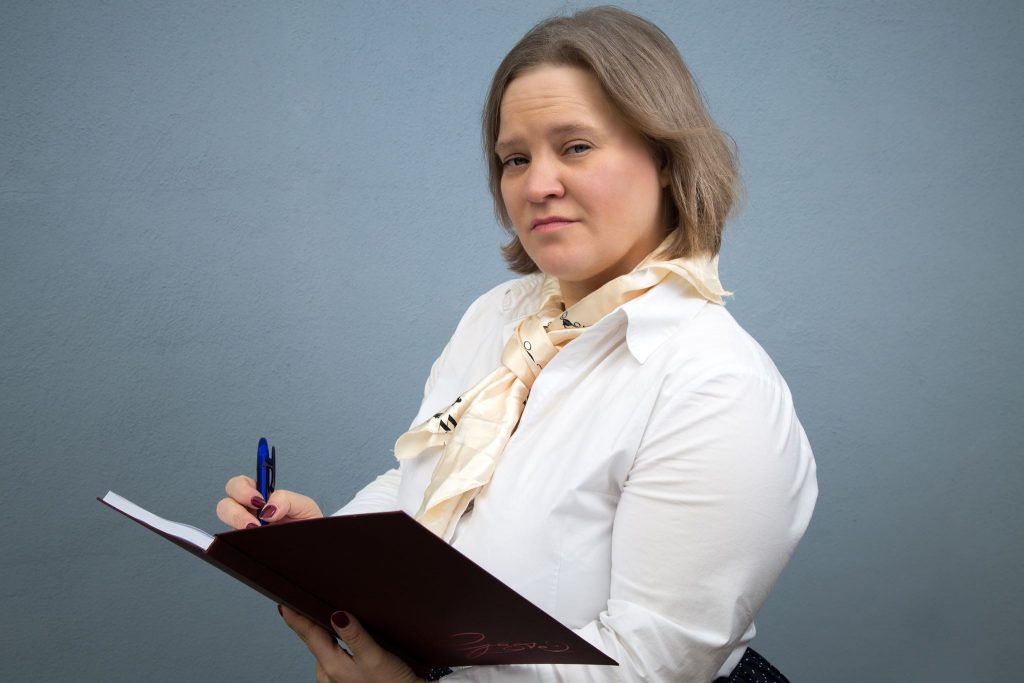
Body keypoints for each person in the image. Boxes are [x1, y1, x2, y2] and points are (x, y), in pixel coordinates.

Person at [217, 6, 817, 682]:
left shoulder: (717, 387)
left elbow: (646, 667)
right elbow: (433, 482)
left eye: (576, 146)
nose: (537, 185)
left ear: (666, 160)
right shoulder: (497, 316)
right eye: (515, 158)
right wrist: (321, 549)